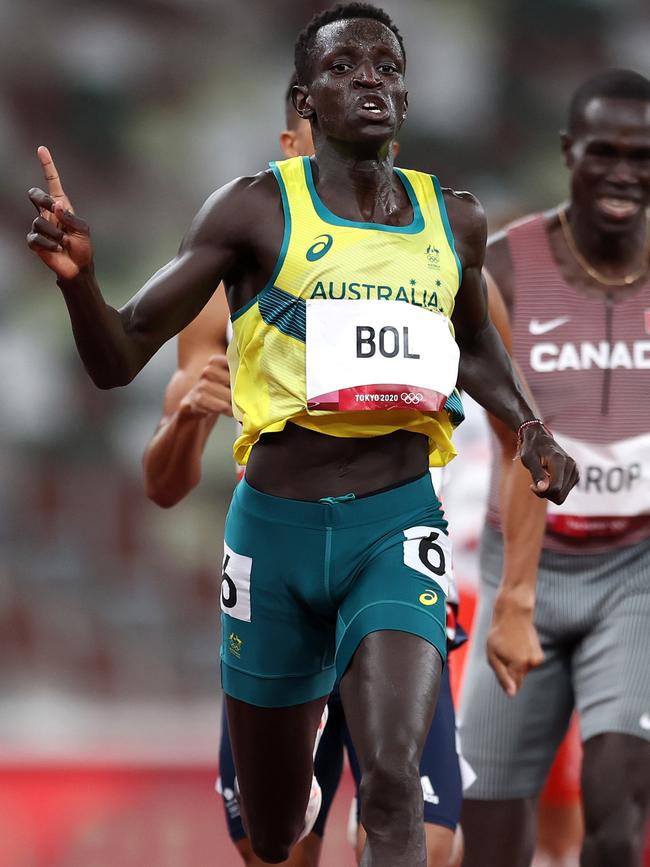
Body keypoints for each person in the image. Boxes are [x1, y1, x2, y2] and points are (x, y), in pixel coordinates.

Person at [26, 5, 577, 865]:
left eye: (387, 67)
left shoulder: (452, 221)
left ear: (407, 92)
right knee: (278, 834)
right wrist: (80, 283)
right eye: (345, 67)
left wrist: (531, 426)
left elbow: (472, 345)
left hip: (395, 525)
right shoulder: (252, 213)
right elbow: (119, 353)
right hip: (276, 532)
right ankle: (292, 792)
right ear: (304, 100)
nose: (371, 80)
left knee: (395, 784)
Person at [143, 77, 467, 867]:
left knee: (428, 838)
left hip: (390, 557)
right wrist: (188, 415)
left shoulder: (428, 260)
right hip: (286, 569)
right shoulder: (229, 285)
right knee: (277, 846)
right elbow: (163, 483)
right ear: (291, 150)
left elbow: (492, 385)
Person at [460, 68, 650, 867]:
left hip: (634, 569)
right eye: (603, 151)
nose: (623, 172)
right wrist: (511, 598)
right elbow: (495, 439)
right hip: (524, 564)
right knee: (492, 839)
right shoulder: (501, 269)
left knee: (614, 809)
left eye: (643, 156)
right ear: (569, 152)